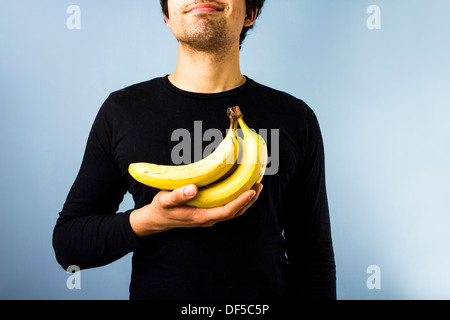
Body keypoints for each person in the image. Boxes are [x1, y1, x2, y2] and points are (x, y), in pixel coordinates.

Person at [53, 0, 336, 300]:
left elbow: (314, 260)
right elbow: (69, 245)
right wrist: (149, 220)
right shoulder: (121, 112)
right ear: (167, 15)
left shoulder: (295, 118)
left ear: (249, 14)